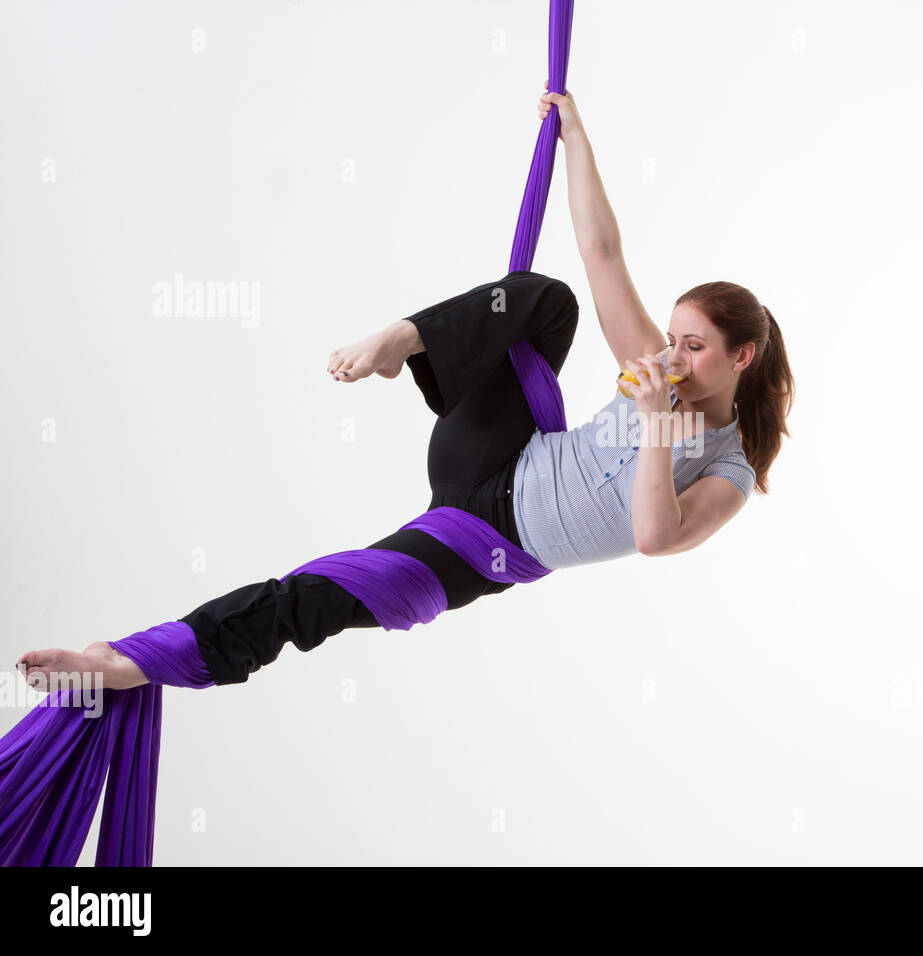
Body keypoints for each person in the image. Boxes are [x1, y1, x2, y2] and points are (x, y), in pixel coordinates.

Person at [14, 86, 794, 693]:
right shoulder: (650, 368)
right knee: (547, 297)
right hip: (495, 452)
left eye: (694, 346)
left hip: (484, 547)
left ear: (742, 357)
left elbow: (657, 535)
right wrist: (574, 135)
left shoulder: (727, 471)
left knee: (318, 598)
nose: (672, 355)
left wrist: (655, 422)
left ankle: (128, 662)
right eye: (672, 337)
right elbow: (599, 249)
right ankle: (402, 339)